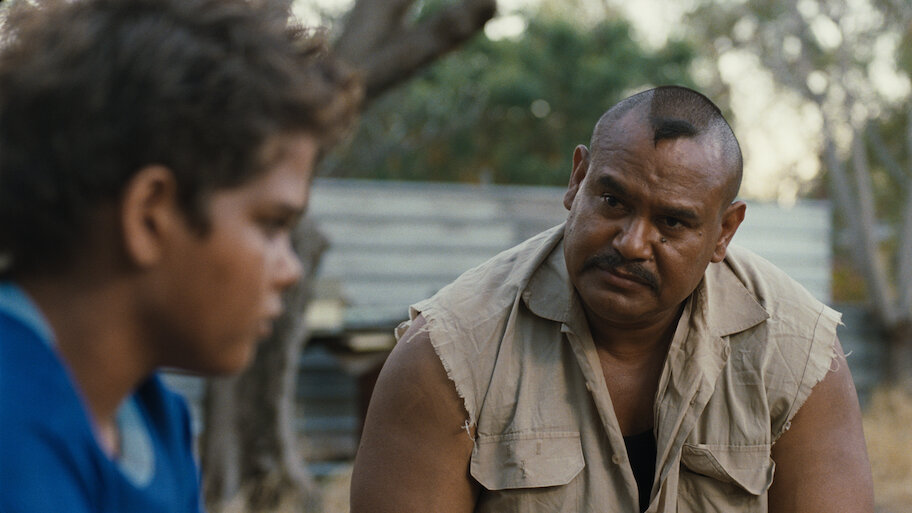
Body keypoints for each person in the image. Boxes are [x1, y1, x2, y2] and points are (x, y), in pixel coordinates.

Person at [350, 86, 874, 513]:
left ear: (724, 232)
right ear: (577, 180)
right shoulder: (450, 354)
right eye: (612, 201)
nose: (632, 243)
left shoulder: (796, 354)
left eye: (672, 222)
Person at [0, 0, 359, 511]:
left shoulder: (154, 421)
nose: (290, 270)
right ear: (149, 215)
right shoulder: (13, 434)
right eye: (271, 225)